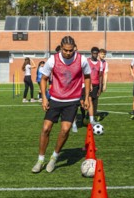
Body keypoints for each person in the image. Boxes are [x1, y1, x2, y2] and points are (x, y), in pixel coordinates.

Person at [31, 36, 91, 173]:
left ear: (75, 48)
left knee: (65, 130)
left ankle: (54, 157)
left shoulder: (82, 60)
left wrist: (86, 97)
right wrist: (44, 98)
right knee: (46, 128)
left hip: (72, 100)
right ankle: (40, 160)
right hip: (55, 99)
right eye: (65, 50)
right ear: (61, 48)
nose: (68, 53)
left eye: (70, 50)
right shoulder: (53, 60)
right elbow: (44, 78)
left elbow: (87, 77)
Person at [86, 47, 103, 124]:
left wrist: (100, 87)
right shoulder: (87, 61)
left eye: (96, 53)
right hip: (88, 85)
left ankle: (92, 117)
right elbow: (85, 74)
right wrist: (88, 84)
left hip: (96, 85)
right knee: (87, 101)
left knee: (94, 102)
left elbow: (100, 76)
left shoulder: (100, 63)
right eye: (94, 53)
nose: (95, 55)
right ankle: (87, 116)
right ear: (91, 53)